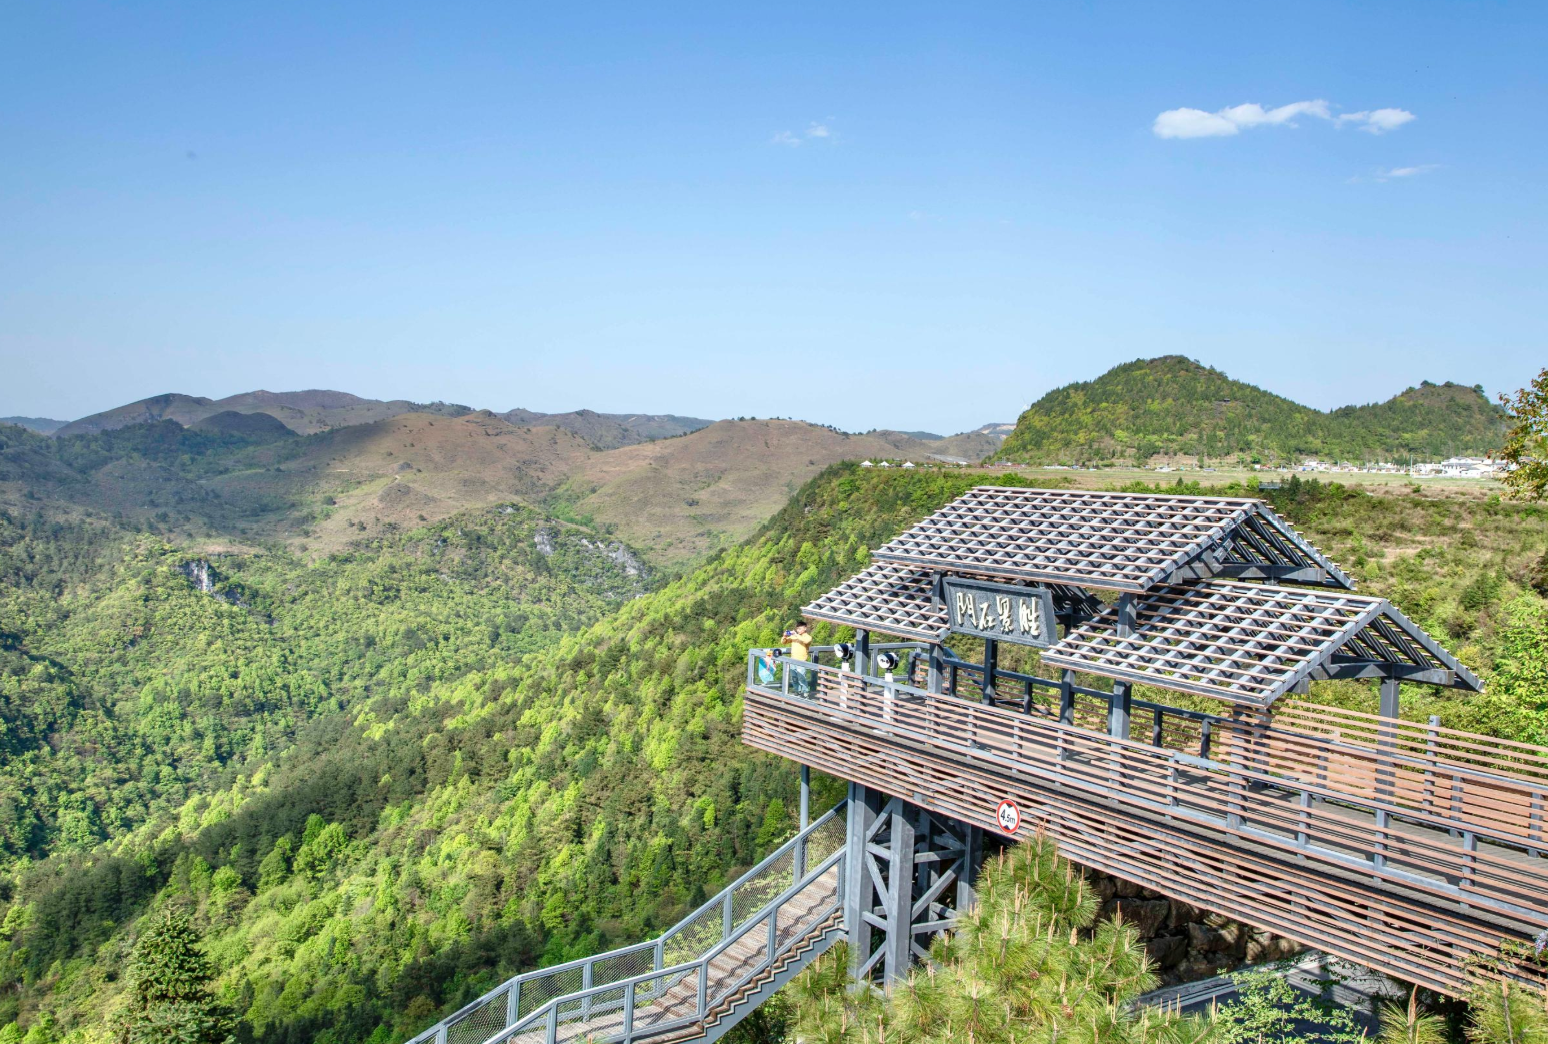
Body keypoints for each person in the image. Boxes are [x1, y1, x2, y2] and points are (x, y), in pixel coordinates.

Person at [784, 623, 815, 695]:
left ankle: (805, 692)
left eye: (800, 628)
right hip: (793, 659)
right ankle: (797, 691)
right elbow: (784, 642)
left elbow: (806, 641)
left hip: (801, 660)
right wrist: (784, 636)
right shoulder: (794, 636)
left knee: (801, 677)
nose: (798, 630)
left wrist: (796, 635)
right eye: (797, 629)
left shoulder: (808, 637)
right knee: (794, 678)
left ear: (805, 628)